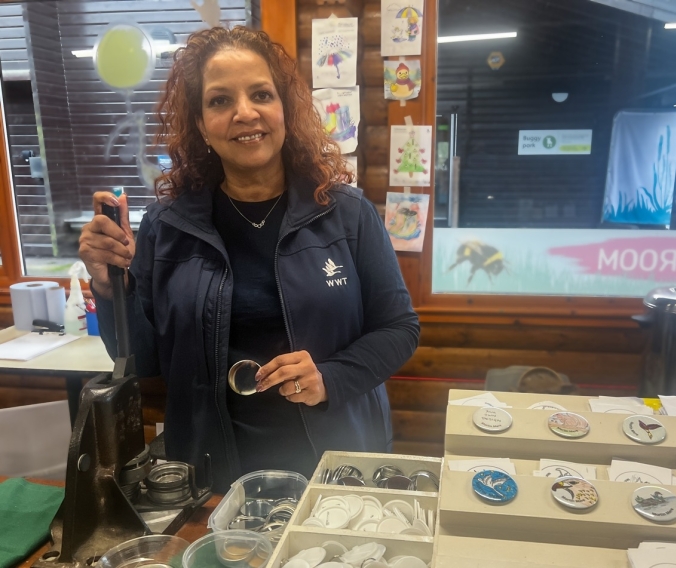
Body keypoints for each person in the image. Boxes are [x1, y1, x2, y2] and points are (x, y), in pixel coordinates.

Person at [78, 26, 420, 491]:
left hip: (334, 459)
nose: (245, 113)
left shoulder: (346, 213)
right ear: (200, 125)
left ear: (284, 109)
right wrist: (108, 285)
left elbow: (399, 327)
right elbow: (141, 360)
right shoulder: (168, 225)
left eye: (261, 94)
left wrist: (330, 377)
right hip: (212, 470)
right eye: (219, 101)